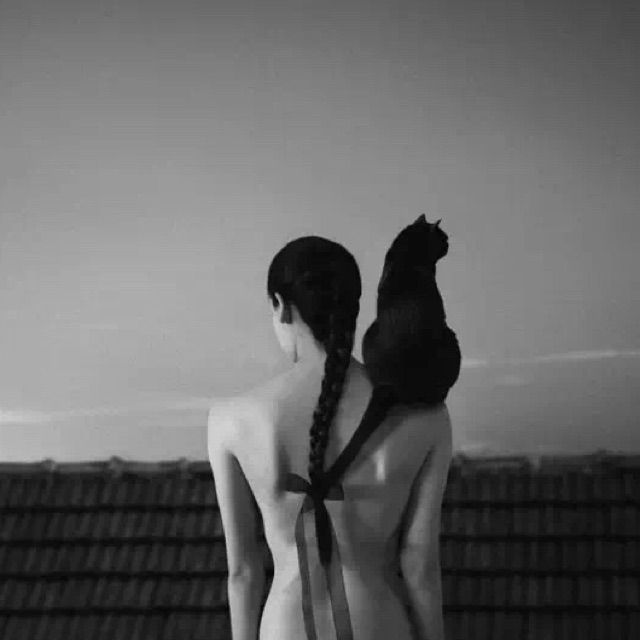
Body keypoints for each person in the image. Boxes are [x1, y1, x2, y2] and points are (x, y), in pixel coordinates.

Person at [208, 235, 453, 640]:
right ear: (353, 306)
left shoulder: (230, 419)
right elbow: (419, 566)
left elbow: (243, 573)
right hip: (380, 623)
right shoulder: (424, 415)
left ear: (280, 305)